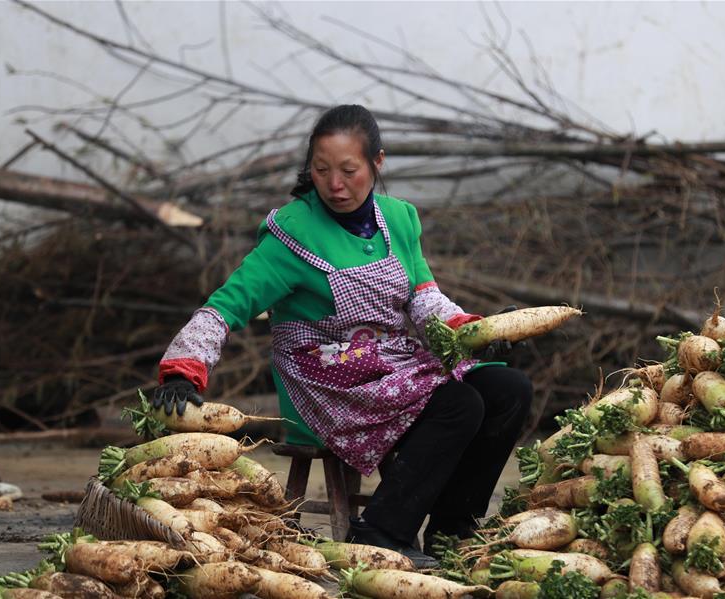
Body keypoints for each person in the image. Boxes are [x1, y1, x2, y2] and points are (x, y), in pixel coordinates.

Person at [152, 104, 532, 568]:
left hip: (392, 362)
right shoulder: (292, 234)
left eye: (349, 171)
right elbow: (228, 304)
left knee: (508, 390)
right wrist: (182, 371)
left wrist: (477, 331)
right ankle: (379, 533)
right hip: (323, 378)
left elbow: (425, 299)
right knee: (458, 404)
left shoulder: (399, 220)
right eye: (322, 170)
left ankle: (452, 532)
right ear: (309, 168)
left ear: (377, 163)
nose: (335, 185)